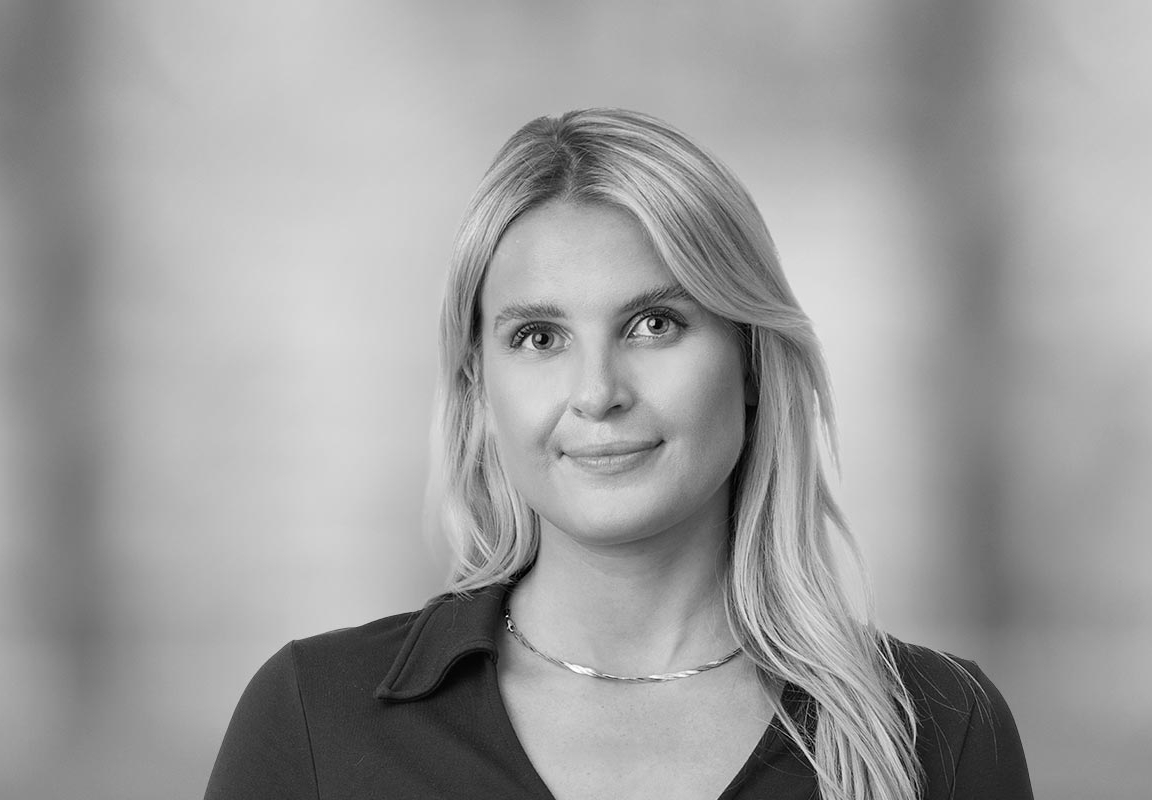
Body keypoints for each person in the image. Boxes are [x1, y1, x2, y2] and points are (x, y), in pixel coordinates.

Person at [204, 108, 1033, 800]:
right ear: (479, 387)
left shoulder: (937, 730)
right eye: (539, 337)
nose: (597, 392)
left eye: (654, 325)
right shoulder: (316, 722)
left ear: (750, 361)